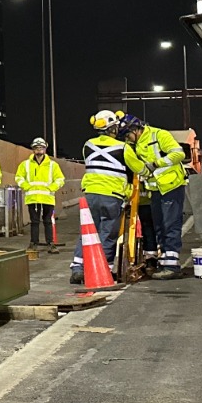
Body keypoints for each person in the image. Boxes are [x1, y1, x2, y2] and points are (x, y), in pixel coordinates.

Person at [121, 114, 188, 280]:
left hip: (172, 185)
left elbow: (178, 154)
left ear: (136, 129)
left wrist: (157, 163)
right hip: (156, 189)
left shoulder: (159, 135)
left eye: (127, 134)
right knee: (160, 226)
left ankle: (172, 266)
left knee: (170, 225)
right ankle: (164, 262)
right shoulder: (133, 144)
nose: (127, 138)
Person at [73, 110, 131, 285]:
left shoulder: (87, 145)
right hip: (112, 196)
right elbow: (137, 167)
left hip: (90, 194)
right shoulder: (123, 148)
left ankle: (78, 268)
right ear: (112, 128)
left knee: (88, 232)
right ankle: (102, 269)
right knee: (108, 234)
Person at [14, 137, 65, 254]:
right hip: (32, 197)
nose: (39, 150)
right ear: (33, 149)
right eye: (37, 148)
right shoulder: (25, 164)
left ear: (45, 149)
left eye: (41, 147)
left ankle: (50, 244)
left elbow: (60, 179)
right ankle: (33, 243)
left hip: (47, 197)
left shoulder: (53, 165)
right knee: (34, 221)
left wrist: (51, 188)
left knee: (48, 221)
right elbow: (19, 177)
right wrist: (27, 186)